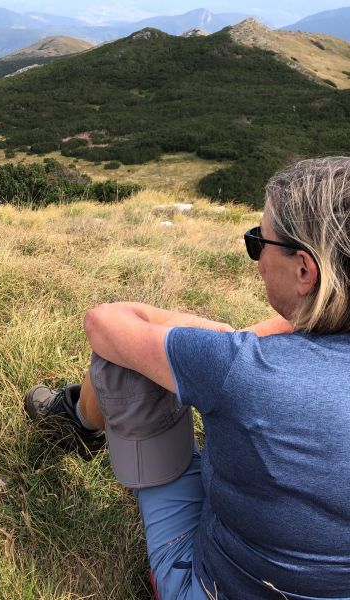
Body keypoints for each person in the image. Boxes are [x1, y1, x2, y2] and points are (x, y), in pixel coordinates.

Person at [25, 157, 350, 599]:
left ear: (305, 270)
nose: (256, 260)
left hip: (210, 587)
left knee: (126, 362)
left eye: (259, 242)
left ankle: (73, 421)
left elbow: (105, 322)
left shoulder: (241, 365)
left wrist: (223, 340)